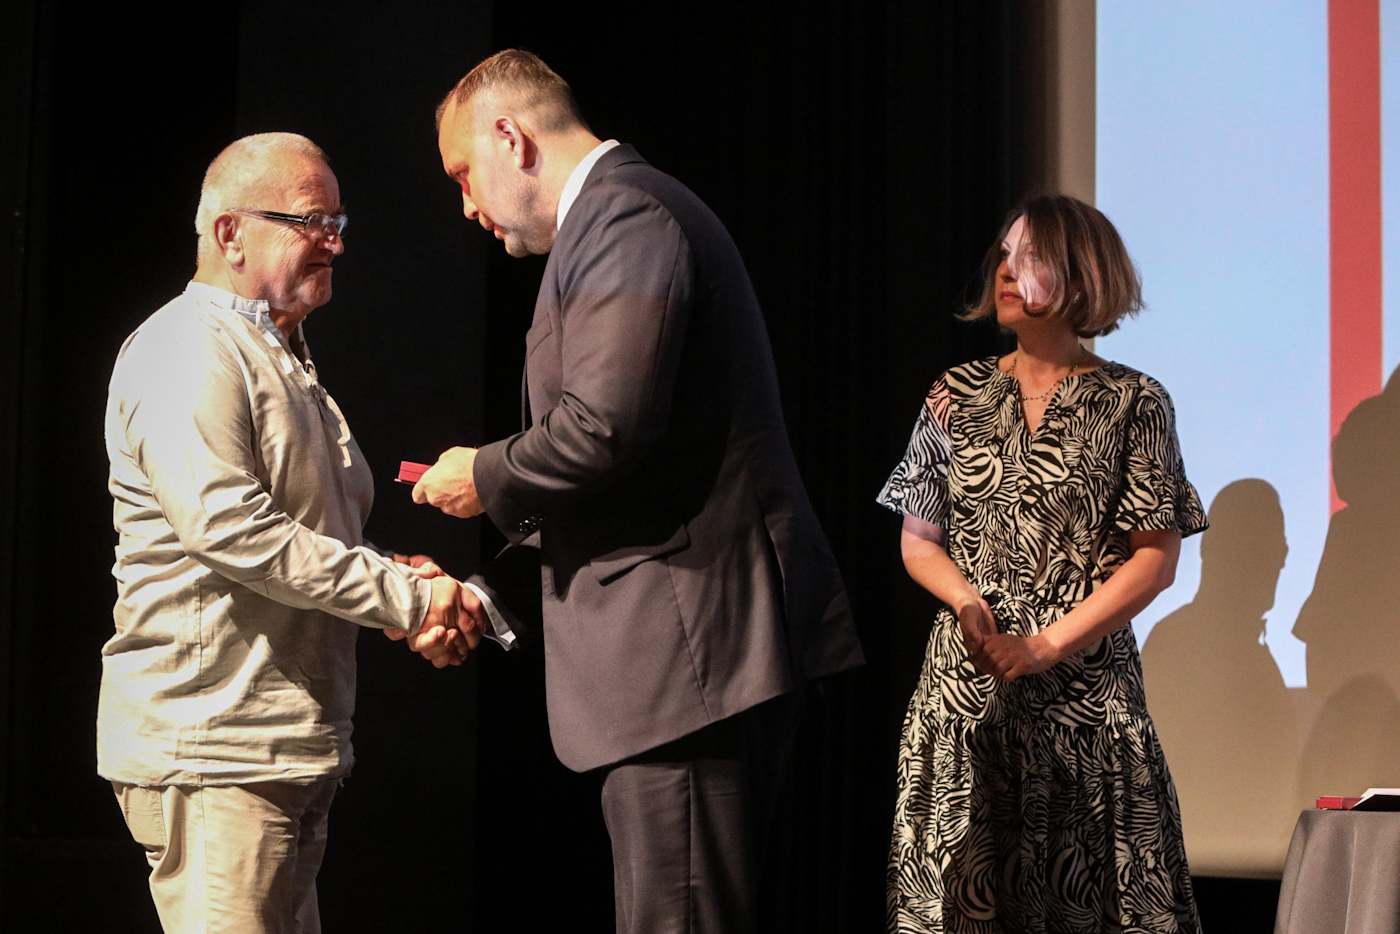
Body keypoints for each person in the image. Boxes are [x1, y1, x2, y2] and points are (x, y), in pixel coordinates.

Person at [412, 50, 865, 933]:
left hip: (692, 660)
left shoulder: (626, 214)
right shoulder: (606, 223)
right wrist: (486, 594)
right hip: (677, 664)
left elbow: (604, 428)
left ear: (512, 138)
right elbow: (625, 476)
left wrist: (483, 471)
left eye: (464, 174)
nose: (466, 205)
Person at [100, 132, 483, 934]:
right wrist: (405, 600)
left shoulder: (274, 351)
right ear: (230, 234)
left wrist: (398, 580)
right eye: (311, 221)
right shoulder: (187, 350)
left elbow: (301, 534)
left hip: (279, 753)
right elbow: (232, 530)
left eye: (338, 222)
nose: (335, 242)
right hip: (216, 754)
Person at [877, 194, 1205, 933]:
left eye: (1028, 259)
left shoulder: (1134, 401)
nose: (1005, 270)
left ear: (1082, 274)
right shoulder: (954, 394)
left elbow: (1154, 561)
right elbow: (919, 540)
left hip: (1084, 705)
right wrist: (966, 602)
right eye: (1003, 255)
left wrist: (1046, 645)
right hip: (968, 701)